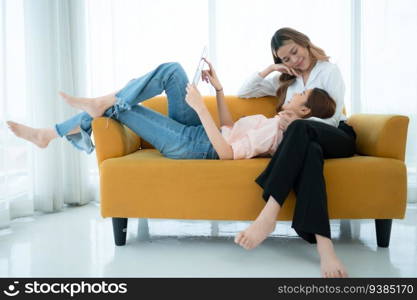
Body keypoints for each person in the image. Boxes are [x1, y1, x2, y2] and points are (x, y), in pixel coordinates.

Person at [7, 59, 336, 162]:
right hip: (201, 132)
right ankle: (95, 107)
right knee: (173, 72)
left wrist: (200, 110)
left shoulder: (276, 130)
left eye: (301, 93)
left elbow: (226, 153)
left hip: (196, 145)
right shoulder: (273, 120)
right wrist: (219, 90)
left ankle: (48, 134)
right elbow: (229, 127)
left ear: (305, 110)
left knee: (116, 109)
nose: (295, 92)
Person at [234, 27, 356, 278]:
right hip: (307, 143)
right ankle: (325, 247)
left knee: (299, 129)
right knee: (309, 151)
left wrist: (300, 126)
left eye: (294, 52)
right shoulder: (287, 80)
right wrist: (272, 69)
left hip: (337, 138)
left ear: (304, 43)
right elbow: (244, 92)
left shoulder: (329, 71)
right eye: (286, 59)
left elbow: (332, 119)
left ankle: (269, 213)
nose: (294, 60)